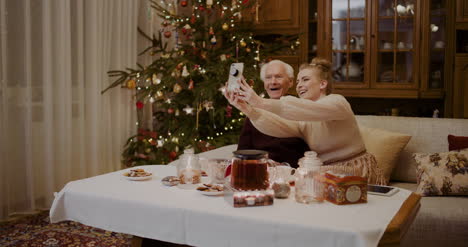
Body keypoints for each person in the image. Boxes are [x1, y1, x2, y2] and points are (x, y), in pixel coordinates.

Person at [226, 57, 384, 184]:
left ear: (323, 83)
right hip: (327, 173)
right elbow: (278, 126)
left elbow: (306, 110)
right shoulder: (303, 118)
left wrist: (259, 102)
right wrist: (248, 109)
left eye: (306, 79)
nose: (300, 85)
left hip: (355, 170)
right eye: (299, 81)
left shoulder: (337, 102)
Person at [236, 60, 309, 168]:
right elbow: (242, 151)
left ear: (290, 82)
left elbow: (309, 153)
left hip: (292, 173)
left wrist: (284, 166)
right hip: (259, 170)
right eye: (268, 77)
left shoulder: (300, 109)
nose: (273, 82)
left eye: (278, 77)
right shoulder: (254, 111)